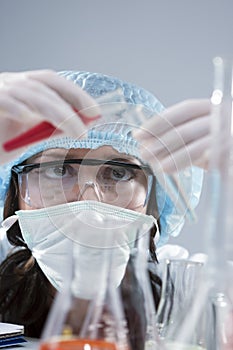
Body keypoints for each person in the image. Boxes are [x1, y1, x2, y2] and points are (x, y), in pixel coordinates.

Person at [0, 70, 206, 343]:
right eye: (58, 169)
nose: (89, 201)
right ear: (15, 192)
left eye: (118, 173)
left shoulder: (195, 298)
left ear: (156, 199)